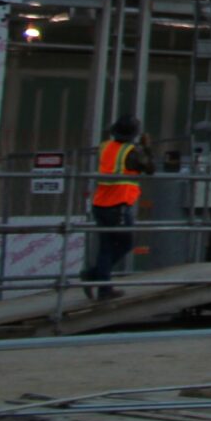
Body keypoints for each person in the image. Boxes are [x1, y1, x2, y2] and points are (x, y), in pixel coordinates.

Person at [85, 116, 149, 299]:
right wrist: (146, 148)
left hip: (100, 202)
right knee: (125, 243)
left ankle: (100, 281)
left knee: (106, 246)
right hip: (119, 204)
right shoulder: (131, 151)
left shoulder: (105, 146)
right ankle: (97, 278)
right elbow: (148, 168)